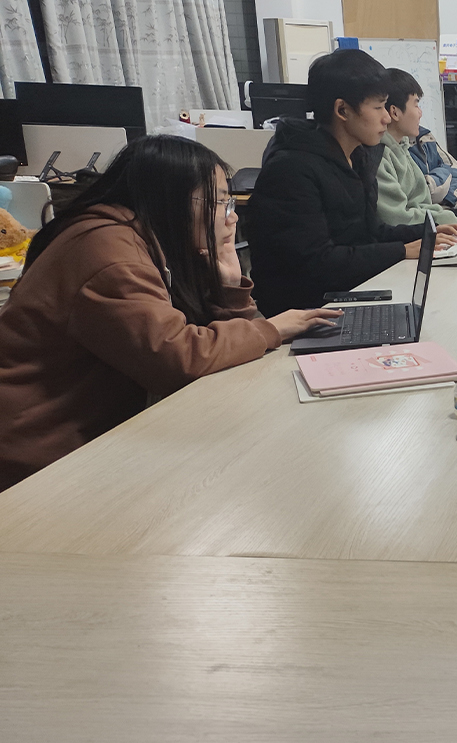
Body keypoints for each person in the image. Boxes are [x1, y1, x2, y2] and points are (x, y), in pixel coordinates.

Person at [0, 135, 341, 490]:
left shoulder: (150, 240)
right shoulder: (109, 253)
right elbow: (178, 359)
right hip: (33, 457)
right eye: (220, 203)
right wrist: (270, 329)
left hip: (84, 439)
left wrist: (228, 287)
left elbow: (209, 354)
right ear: (171, 200)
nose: (232, 217)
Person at [246, 49, 457, 315]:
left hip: (350, 290)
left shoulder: (357, 157)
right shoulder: (291, 170)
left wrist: (427, 233)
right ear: (342, 110)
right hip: (309, 311)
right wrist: (401, 251)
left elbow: (371, 231)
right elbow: (318, 262)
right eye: (378, 107)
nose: (386, 117)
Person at [377, 68, 457, 225]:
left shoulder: (406, 145)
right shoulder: (380, 157)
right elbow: (400, 217)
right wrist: (446, 218)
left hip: (437, 214)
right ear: (395, 112)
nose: (420, 113)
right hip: (425, 224)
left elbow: (456, 171)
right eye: (416, 105)